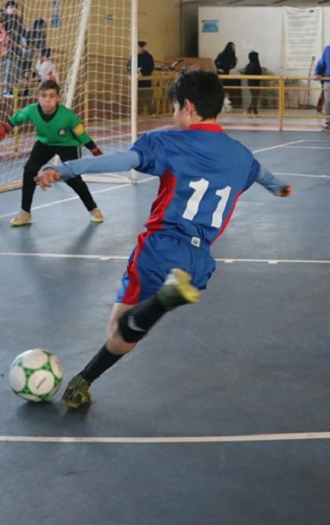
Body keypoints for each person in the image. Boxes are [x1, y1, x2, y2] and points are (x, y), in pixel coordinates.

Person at [35, 69, 292, 407]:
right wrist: (279, 188)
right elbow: (263, 175)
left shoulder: (167, 142)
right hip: (199, 262)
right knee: (132, 329)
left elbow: (118, 161)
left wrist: (65, 169)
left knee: (118, 333)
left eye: (174, 106)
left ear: (187, 107)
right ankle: (82, 382)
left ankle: (153, 309)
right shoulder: (241, 155)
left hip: (160, 248)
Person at [0, 80, 103, 227]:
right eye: (44, 95)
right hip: (45, 143)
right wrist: (6, 128)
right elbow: (17, 118)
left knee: (72, 178)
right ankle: (25, 212)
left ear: (58, 98)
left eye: (52, 96)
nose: (48, 99)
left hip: (68, 145)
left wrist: (94, 149)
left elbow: (81, 134)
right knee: (29, 171)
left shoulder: (68, 116)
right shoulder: (31, 110)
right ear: (38, 97)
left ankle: (93, 209)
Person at [132, 40, 156, 115]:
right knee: (137, 98)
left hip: (146, 80)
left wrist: (144, 74)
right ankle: (138, 112)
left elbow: (151, 67)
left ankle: (151, 112)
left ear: (142, 48)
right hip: (136, 81)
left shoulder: (148, 57)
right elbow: (129, 67)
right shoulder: (133, 57)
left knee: (147, 96)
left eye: (138, 47)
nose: (137, 49)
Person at [214, 41, 238, 110]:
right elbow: (217, 62)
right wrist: (219, 68)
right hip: (221, 75)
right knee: (221, 88)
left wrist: (235, 63)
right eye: (232, 46)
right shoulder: (222, 55)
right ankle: (220, 103)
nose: (234, 48)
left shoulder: (232, 55)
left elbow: (231, 66)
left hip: (227, 74)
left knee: (226, 88)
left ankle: (226, 103)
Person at [244, 50, 263, 116]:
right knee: (255, 97)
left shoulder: (248, 65)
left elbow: (245, 73)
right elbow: (259, 74)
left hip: (250, 82)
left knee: (254, 97)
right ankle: (250, 109)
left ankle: (255, 111)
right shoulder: (257, 64)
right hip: (256, 83)